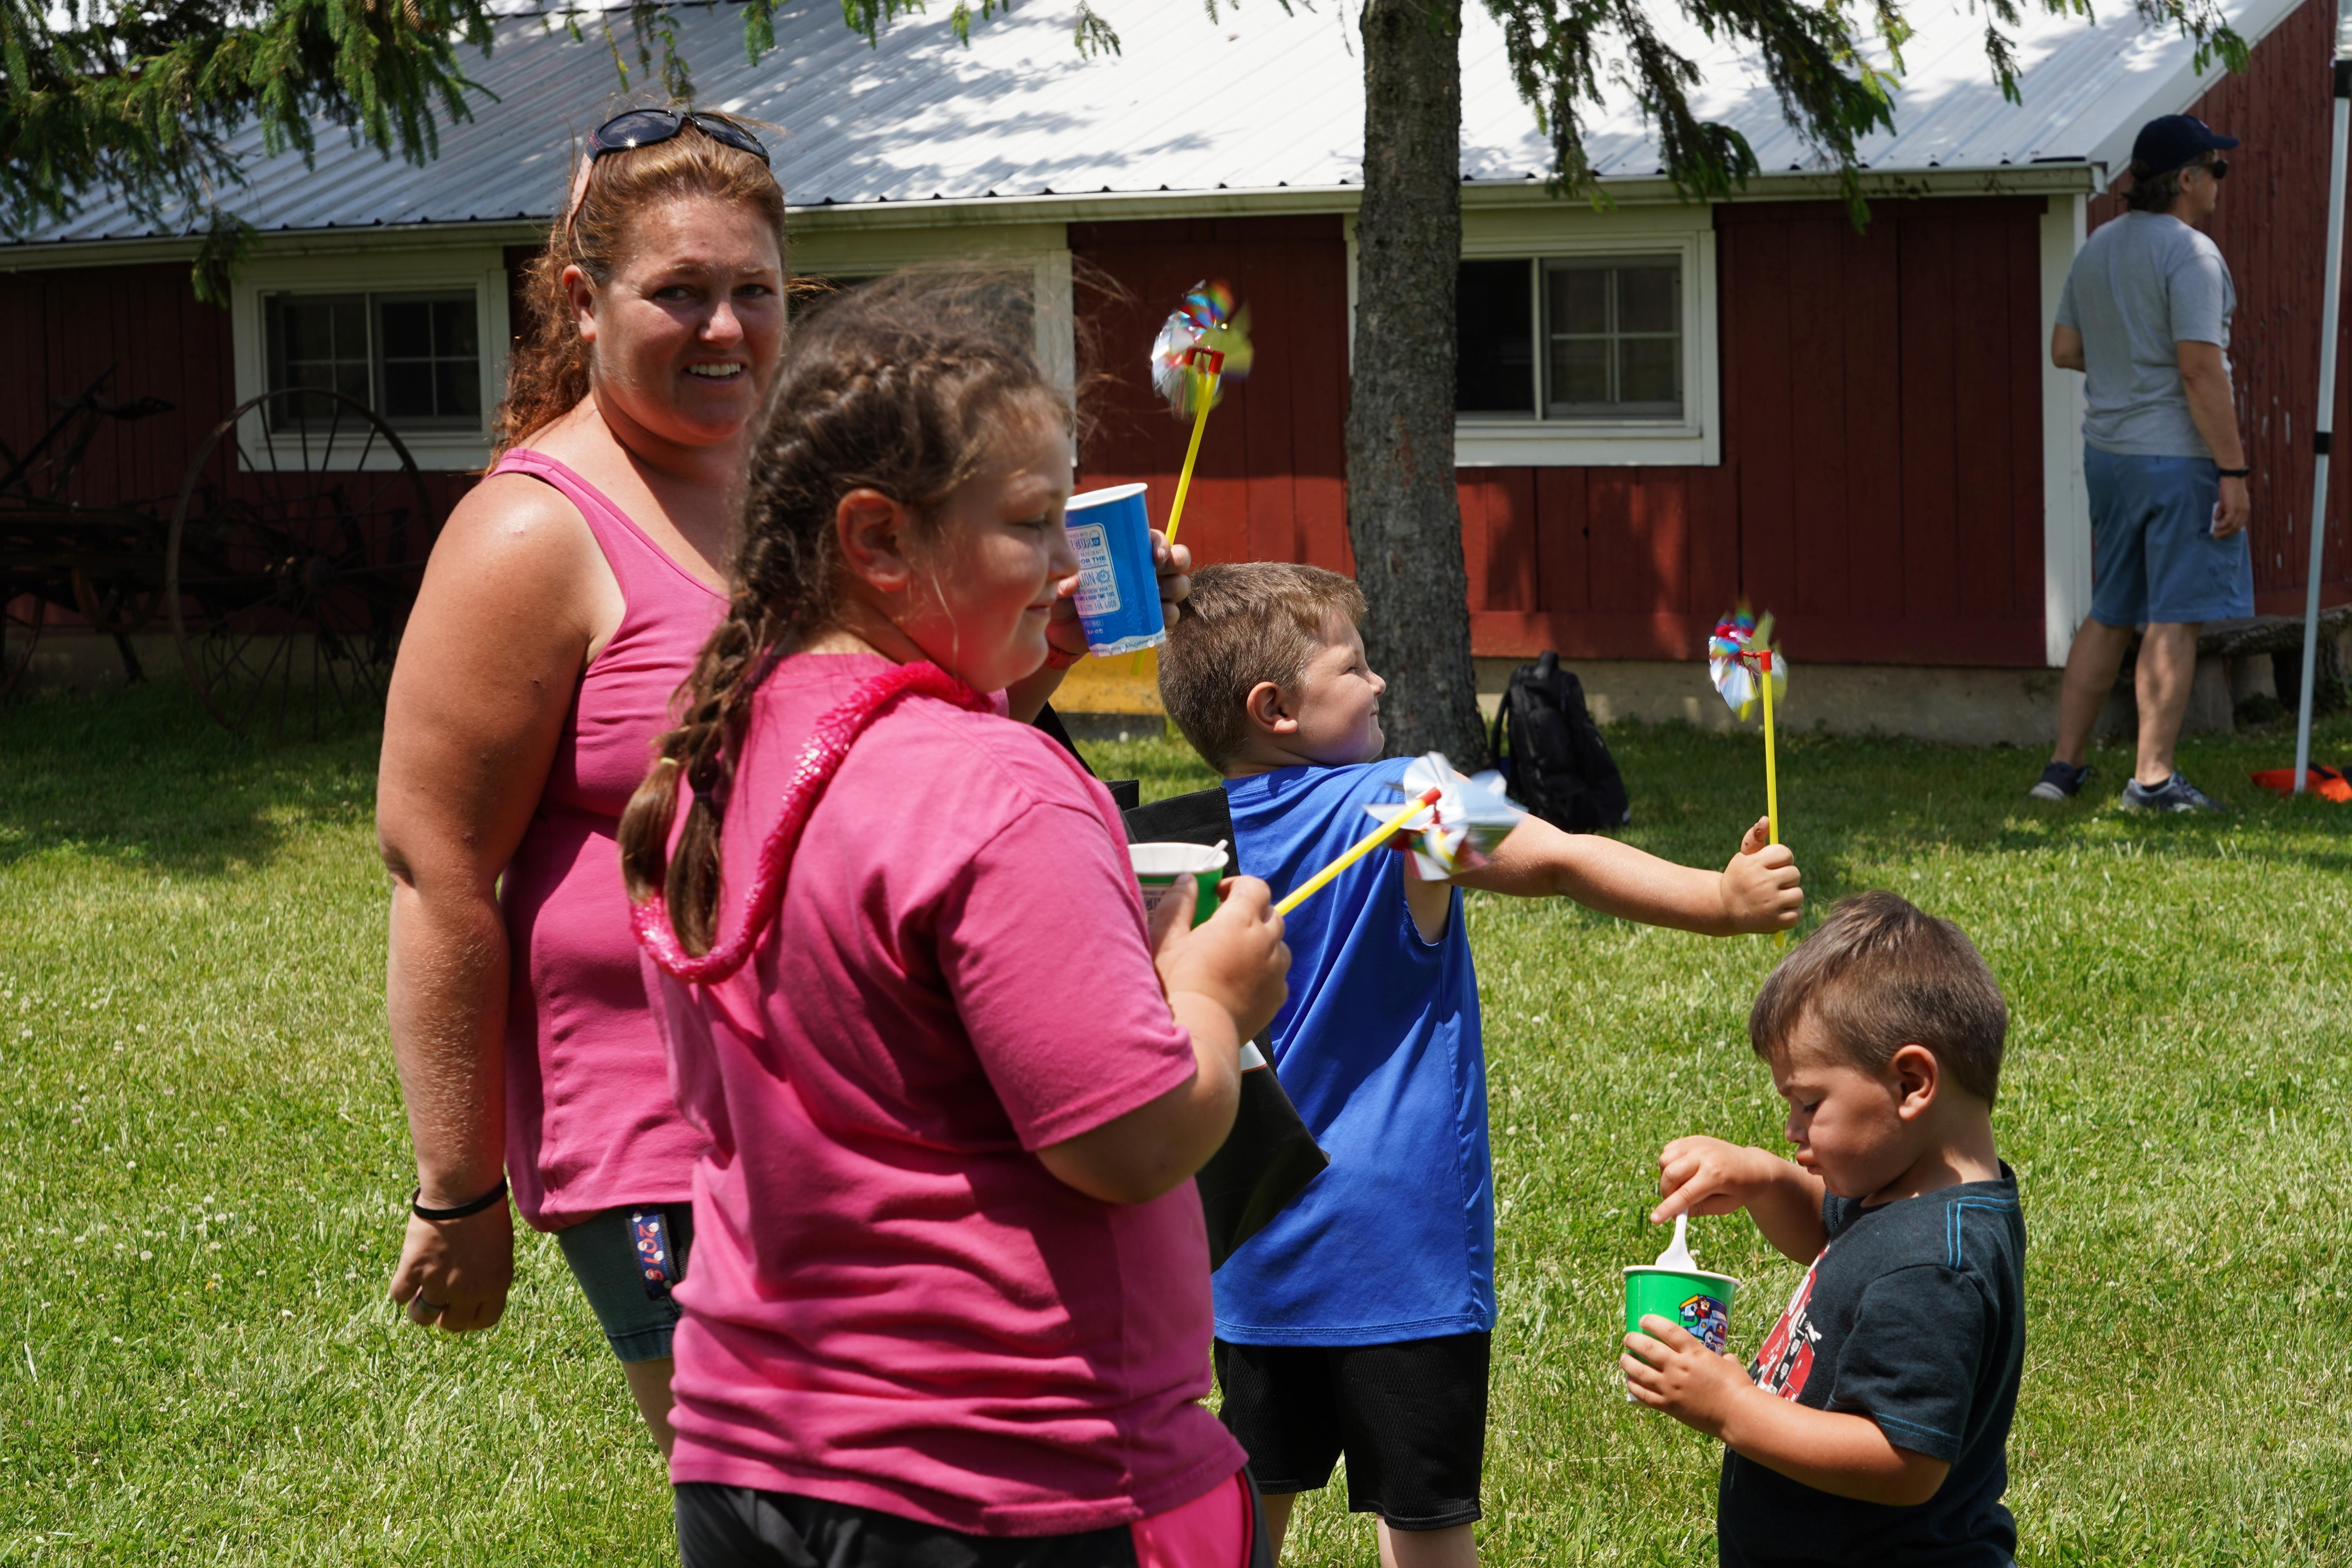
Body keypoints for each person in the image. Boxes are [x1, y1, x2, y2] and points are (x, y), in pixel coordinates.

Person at [617, 274, 1292, 1567]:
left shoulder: (722, 749)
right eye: (1033, 525)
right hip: (1017, 1480)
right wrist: (1209, 991)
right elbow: (1133, 1141)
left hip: (760, 1459)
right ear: (876, 542)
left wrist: (1023, 648)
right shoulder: (998, 793)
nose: (1064, 562)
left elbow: (883, 850)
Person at [1153, 562, 1804, 1568]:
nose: (1378, 684)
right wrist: (1720, 899)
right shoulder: (1405, 796)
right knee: (1428, 1536)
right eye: (1354, 666)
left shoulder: (1189, 849)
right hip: (1401, 1253)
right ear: (1275, 707)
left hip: (1252, 1250)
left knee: (1243, 1521)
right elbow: (1558, 856)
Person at [376, 107, 788, 1455]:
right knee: (774, 1503)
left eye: (753, 293)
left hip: (833, 1089)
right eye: (681, 293)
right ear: (582, 298)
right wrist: (459, 1189)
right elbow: (437, 866)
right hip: (659, 1118)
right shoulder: (530, 532)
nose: (725, 328)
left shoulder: (775, 487)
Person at [1624, 890, 2025, 1568]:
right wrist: (1764, 1178)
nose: (1793, 1131)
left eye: (1809, 1104)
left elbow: (1902, 1459)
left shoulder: (1933, 1266)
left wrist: (1733, 1409)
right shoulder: (1905, 1193)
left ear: (1911, 1084)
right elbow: (1828, 1230)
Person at [2038, 113, 2253, 813]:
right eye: (2215, 169)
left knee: (2111, 610)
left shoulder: (2099, 246)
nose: (2222, 181)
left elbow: (2065, 348)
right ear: (2186, 180)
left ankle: (2062, 772)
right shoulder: (2192, 255)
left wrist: (2126, 356)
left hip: (2108, 456)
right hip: (2175, 457)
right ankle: (2153, 780)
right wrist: (2235, 472)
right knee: (2174, 616)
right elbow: (2200, 369)